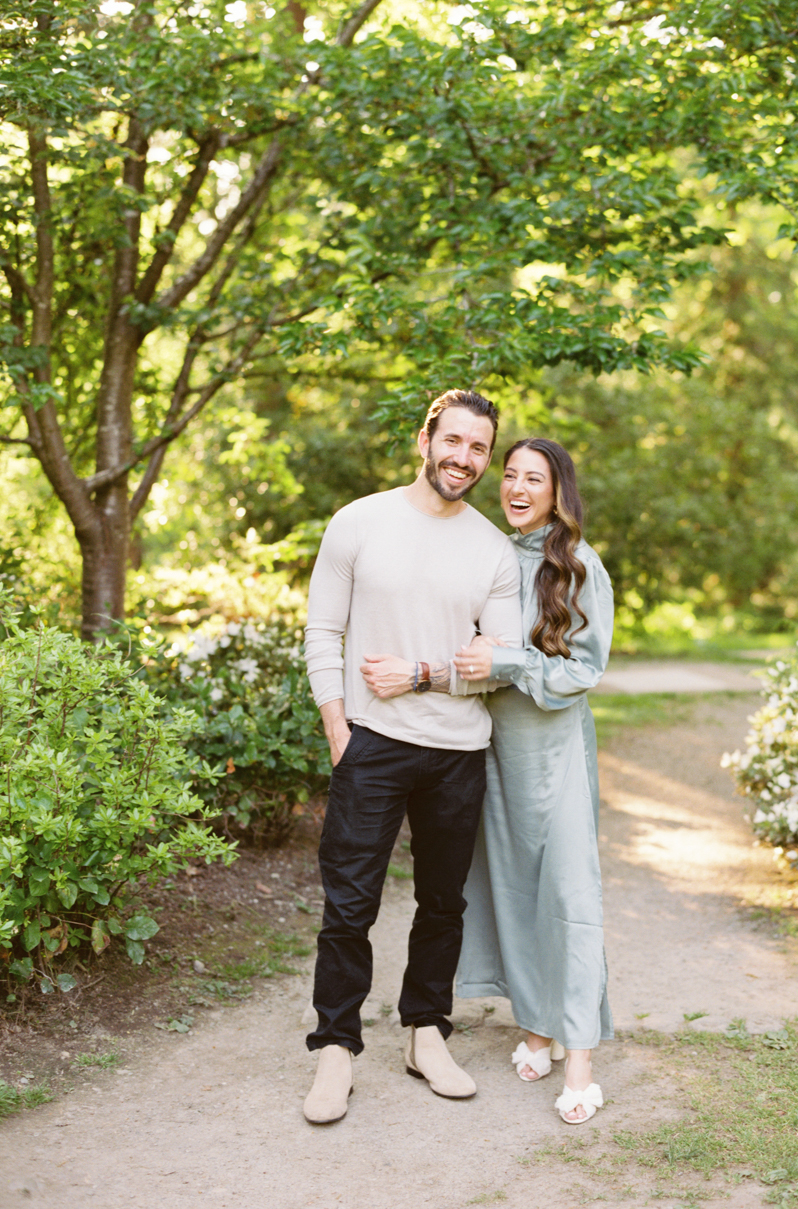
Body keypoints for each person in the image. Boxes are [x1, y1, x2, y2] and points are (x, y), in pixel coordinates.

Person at [301, 389, 522, 1125]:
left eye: (479, 447)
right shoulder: (359, 521)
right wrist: (339, 725)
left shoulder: (492, 548)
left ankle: (426, 1032)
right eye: (452, 440)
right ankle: (336, 1045)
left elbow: (501, 660)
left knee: (443, 903)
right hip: (371, 744)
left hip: (458, 749)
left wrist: (426, 671)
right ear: (425, 438)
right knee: (350, 903)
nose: (464, 457)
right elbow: (322, 630)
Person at [451, 437, 614, 1125]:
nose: (517, 487)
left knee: (569, 896)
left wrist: (510, 661)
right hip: (496, 751)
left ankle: (578, 1056)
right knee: (514, 891)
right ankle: (538, 1026)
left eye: (533, 478)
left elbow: (583, 671)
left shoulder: (578, 564)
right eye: (509, 474)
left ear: (557, 491)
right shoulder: (483, 553)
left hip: (556, 754)